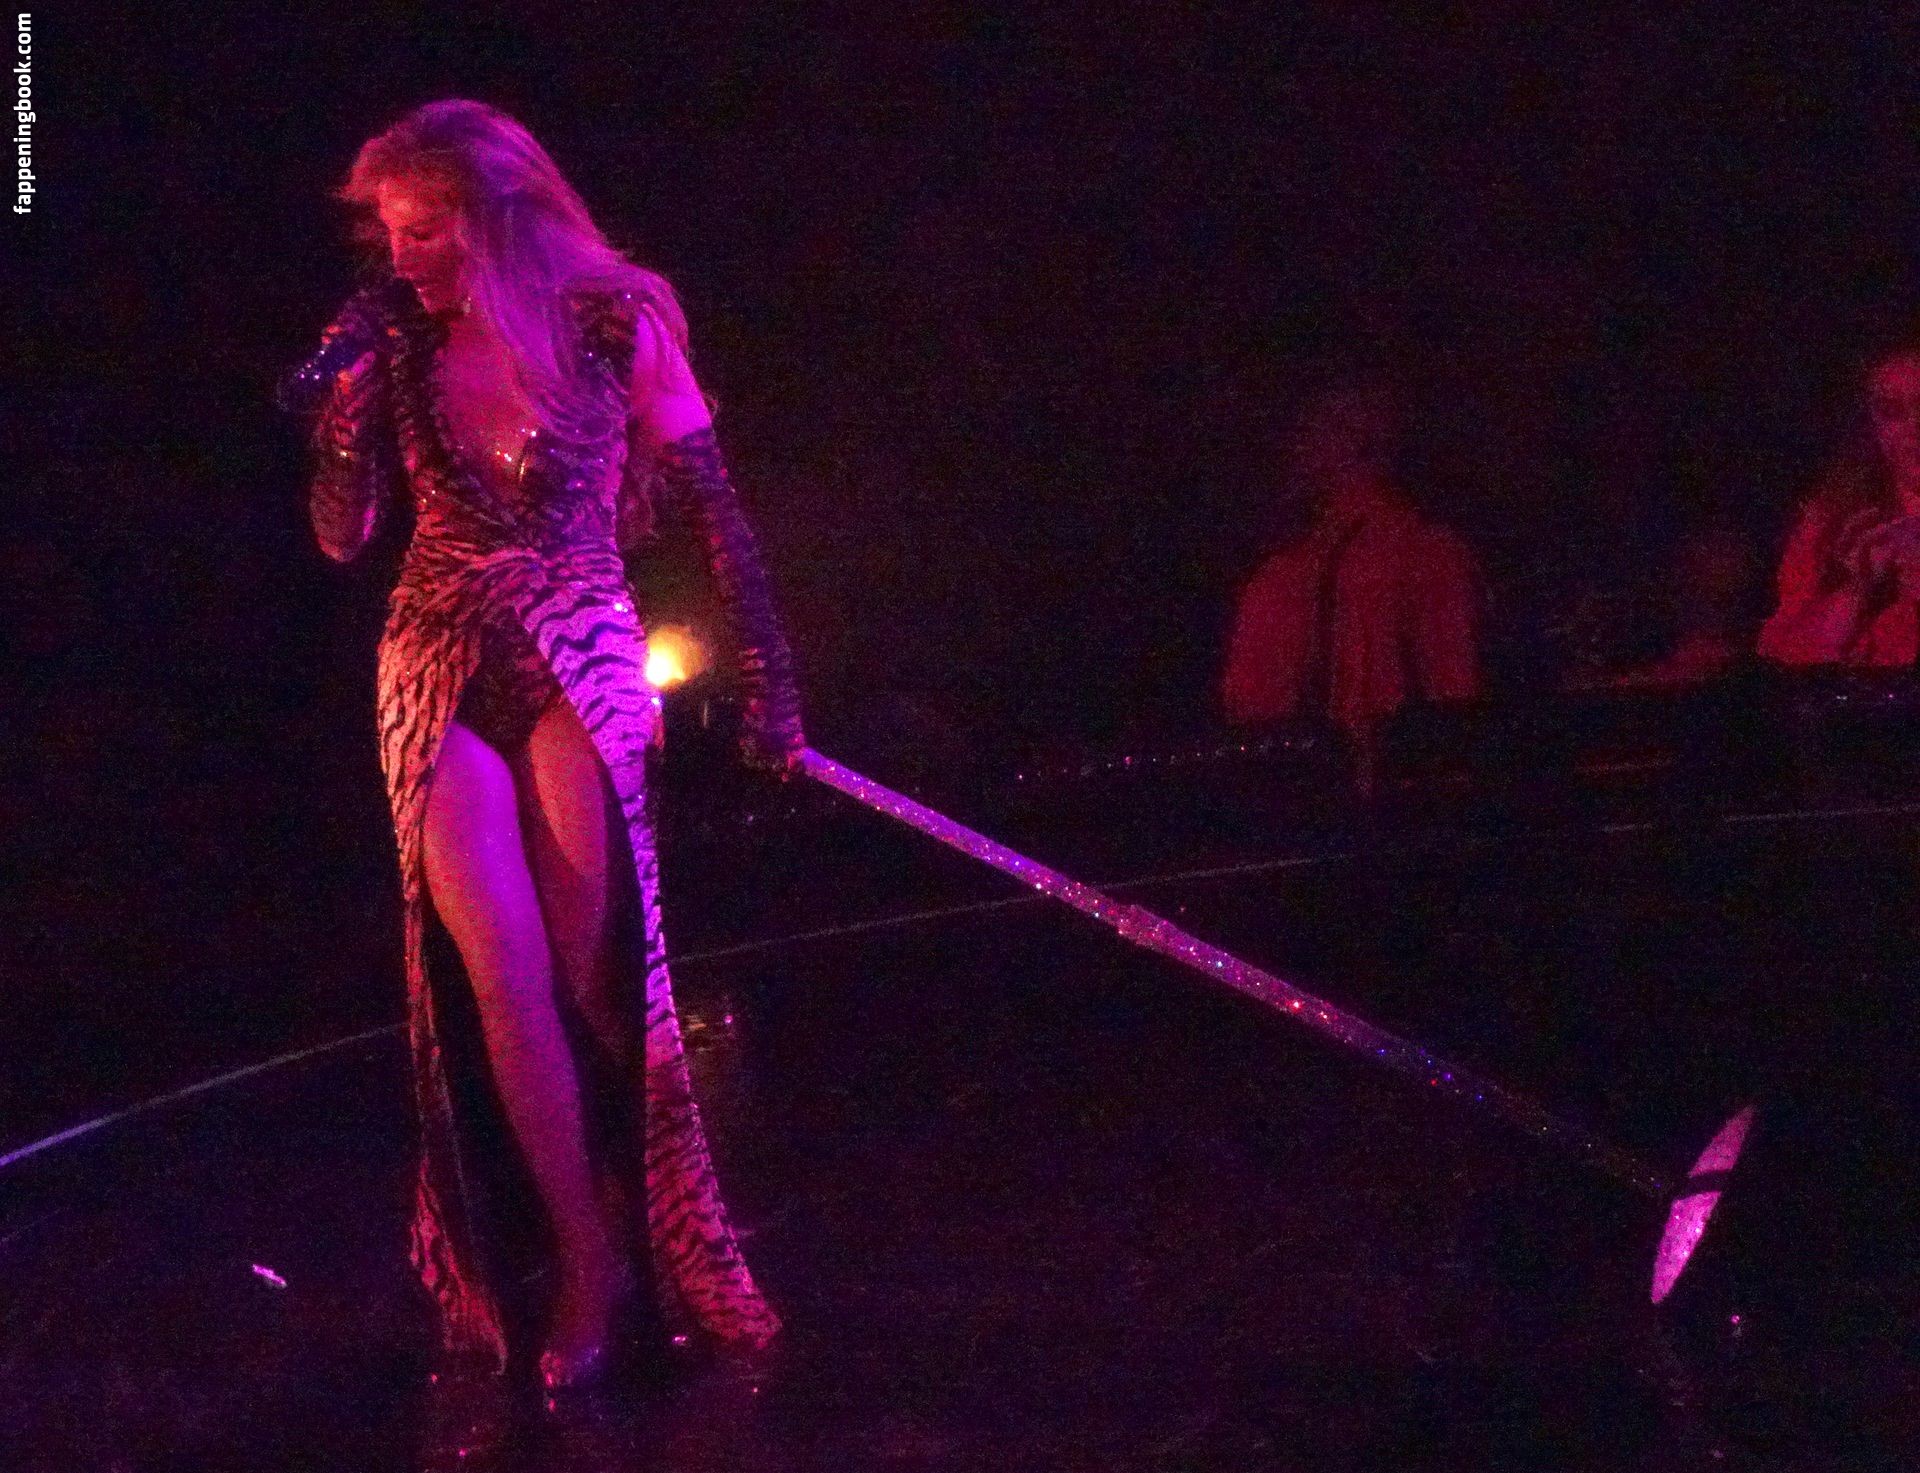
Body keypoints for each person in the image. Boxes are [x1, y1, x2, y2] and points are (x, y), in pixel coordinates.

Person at [285, 100, 801, 1390]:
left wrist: (772, 681)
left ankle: (656, 1218)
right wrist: (341, 421)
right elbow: (342, 538)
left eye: (423, 229)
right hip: (438, 655)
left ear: (496, 214)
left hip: (577, 642)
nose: (398, 257)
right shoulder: (403, 340)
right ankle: (582, 1257)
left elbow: (716, 510)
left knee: (594, 974)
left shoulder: (617, 319)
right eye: (388, 233)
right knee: (502, 981)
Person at [1220, 382, 1479, 766]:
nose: (1295, 448)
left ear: (1351, 441)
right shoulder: (1433, 552)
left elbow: (1250, 712)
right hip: (1401, 780)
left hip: (1327, 785)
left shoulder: (1284, 577)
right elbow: (1457, 694)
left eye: (1310, 430)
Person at [1757, 344, 1920, 666]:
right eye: (1892, 411)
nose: (1914, 428)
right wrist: (1856, 590)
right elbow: (1784, 655)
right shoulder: (1838, 518)